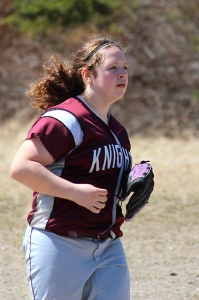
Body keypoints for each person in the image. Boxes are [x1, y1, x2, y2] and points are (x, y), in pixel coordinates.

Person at [10, 35, 132, 300]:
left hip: (108, 245)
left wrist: (132, 195)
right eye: (112, 68)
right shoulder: (66, 119)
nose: (122, 74)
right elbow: (21, 167)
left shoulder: (117, 131)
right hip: (58, 242)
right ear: (87, 75)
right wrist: (75, 192)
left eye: (124, 68)